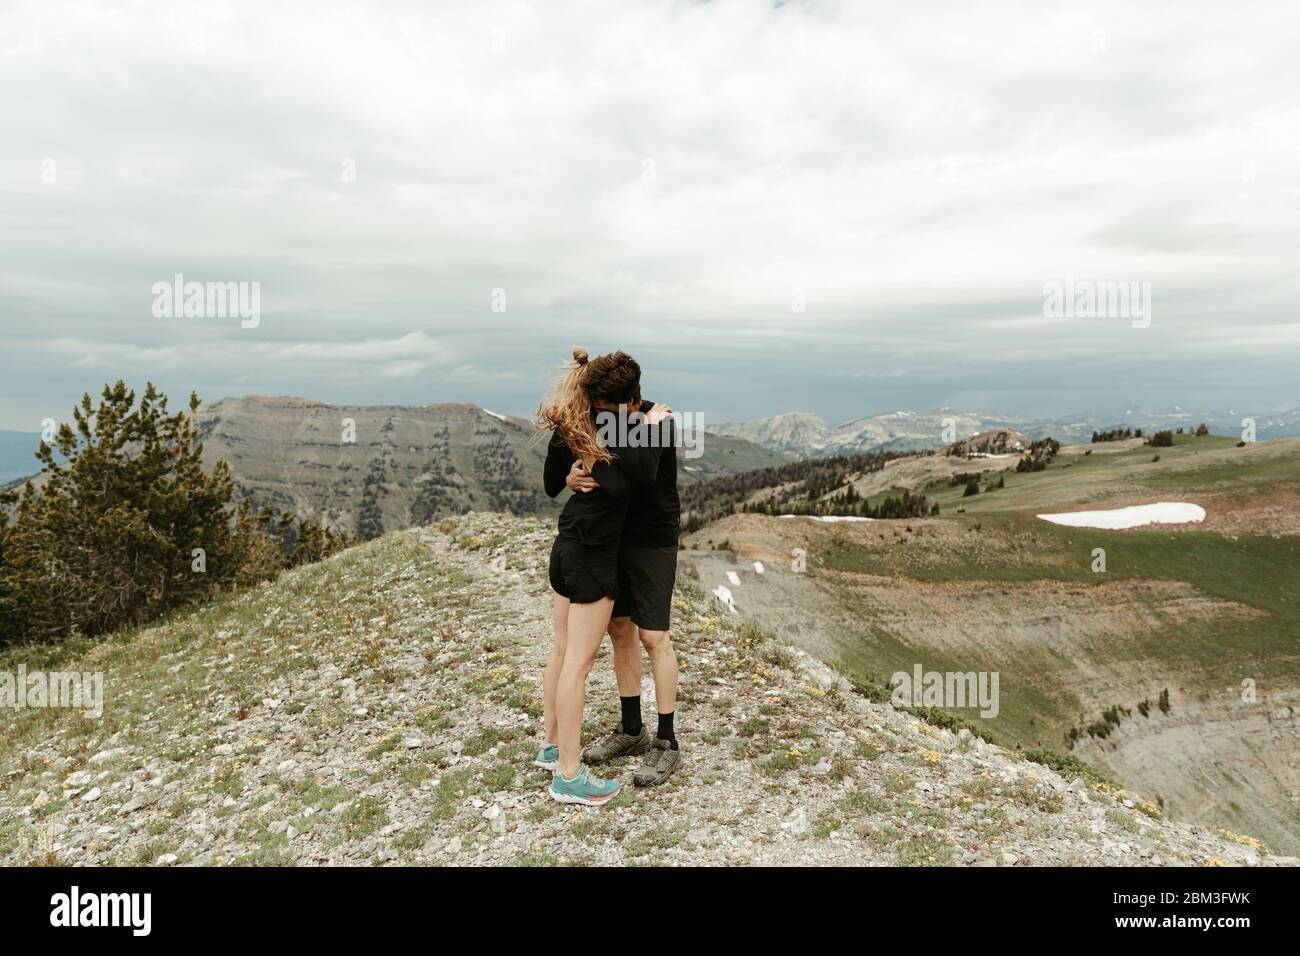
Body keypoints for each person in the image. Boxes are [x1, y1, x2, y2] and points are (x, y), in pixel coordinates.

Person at [534, 348, 668, 805]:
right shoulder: (617, 435)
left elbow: (553, 484)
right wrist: (648, 425)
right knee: (578, 665)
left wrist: (572, 472)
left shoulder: (574, 423)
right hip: (592, 557)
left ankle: (552, 748)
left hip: (566, 545)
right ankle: (568, 776)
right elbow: (637, 479)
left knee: (561, 651)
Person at [569, 394, 682, 786]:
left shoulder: (659, 419)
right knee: (620, 630)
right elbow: (597, 467)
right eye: (597, 407)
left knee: (654, 636)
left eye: (609, 407)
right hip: (616, 536)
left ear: (631, 399)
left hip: (653, 540)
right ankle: (632, 730)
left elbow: (645, 473)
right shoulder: (607, 419)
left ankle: (667, 742)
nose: (602, 414)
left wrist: (646, 429)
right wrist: (573, 476)